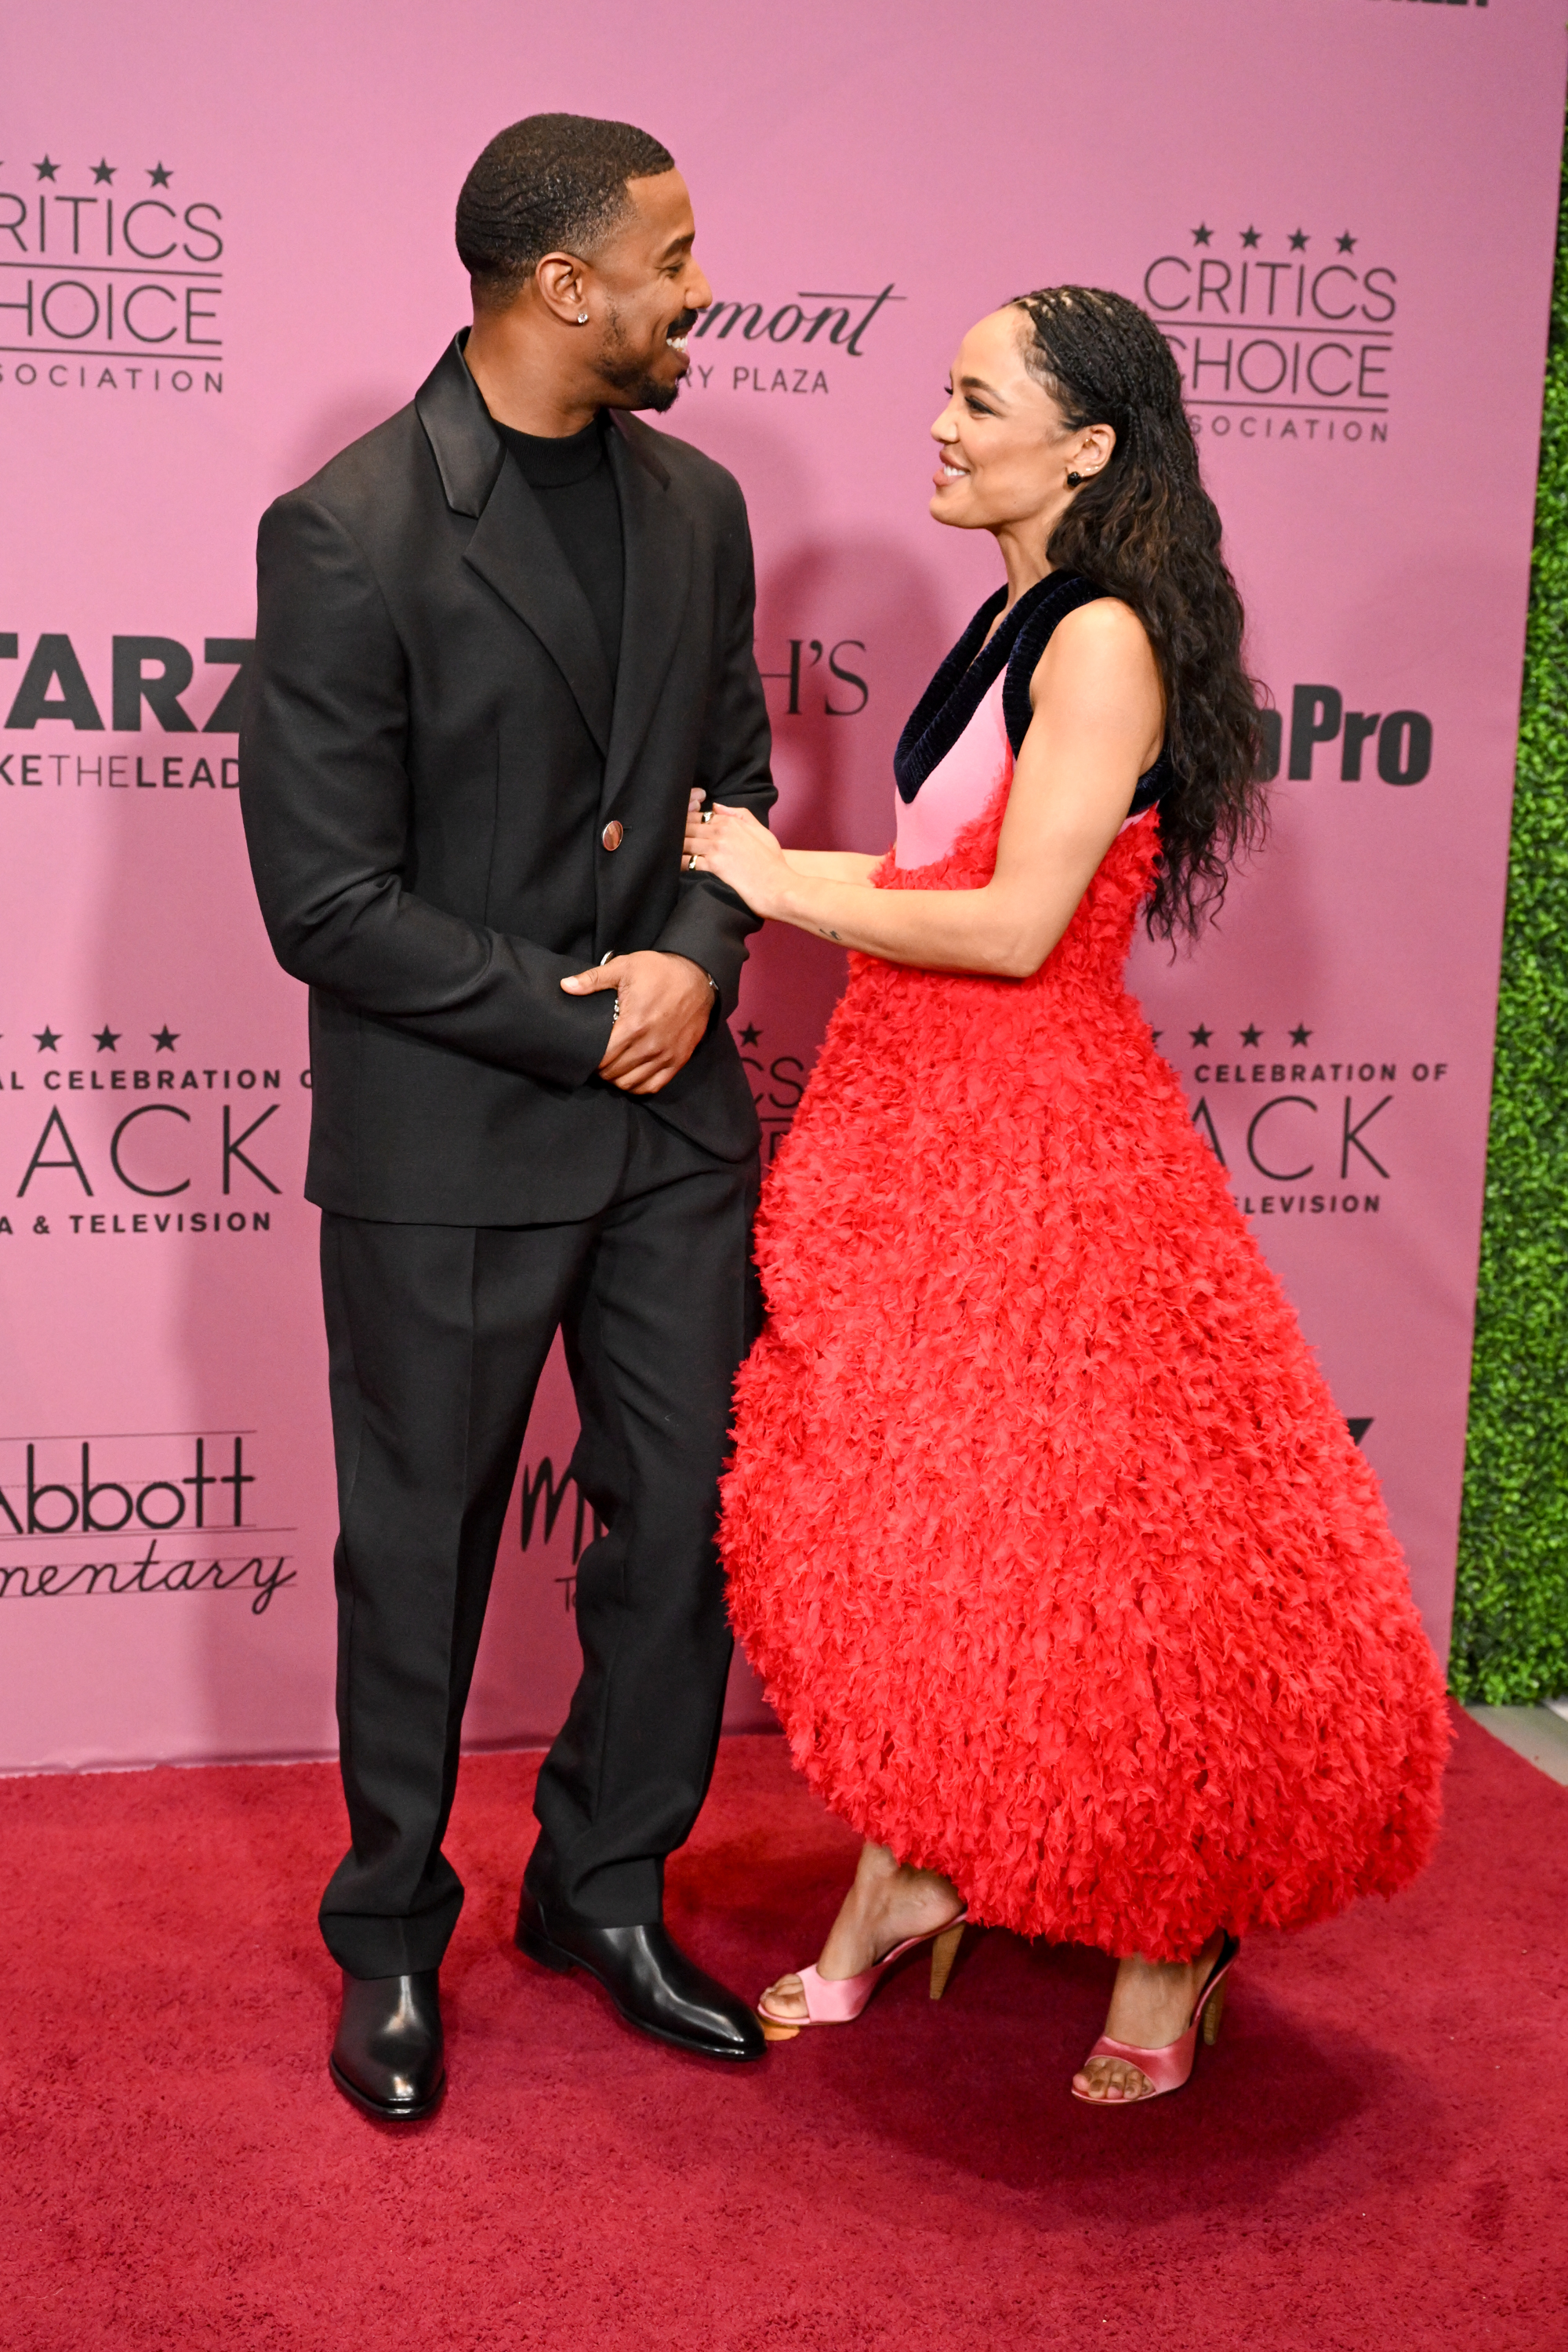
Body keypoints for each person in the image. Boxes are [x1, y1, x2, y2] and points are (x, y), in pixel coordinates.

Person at [684, 285, 1450, 2104]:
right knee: (946, 1533)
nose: (936, 426)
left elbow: (1021, 928)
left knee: (1096, 1548)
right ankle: (918, 1853)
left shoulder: (1098, 638)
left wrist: (780, 884)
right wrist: (812, 880)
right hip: (919, 1125)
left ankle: (1165, 1924)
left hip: (1038, 1141)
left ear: (1085, 444)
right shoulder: (1016, 609)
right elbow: (953, 863)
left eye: (974, 399)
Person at [241, 113, 775, 2120]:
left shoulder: (703, 505)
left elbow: (733, 782)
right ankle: (388, 1930)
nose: (699, 291)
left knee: (685, 1526)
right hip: (453, 1139)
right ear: (566, 287)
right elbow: (327, 905)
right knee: (422, 1550)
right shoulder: (351, 529)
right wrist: (595, 1018)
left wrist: (705, 956)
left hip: (672, 1137)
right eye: (673, 255)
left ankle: (605, 1886)